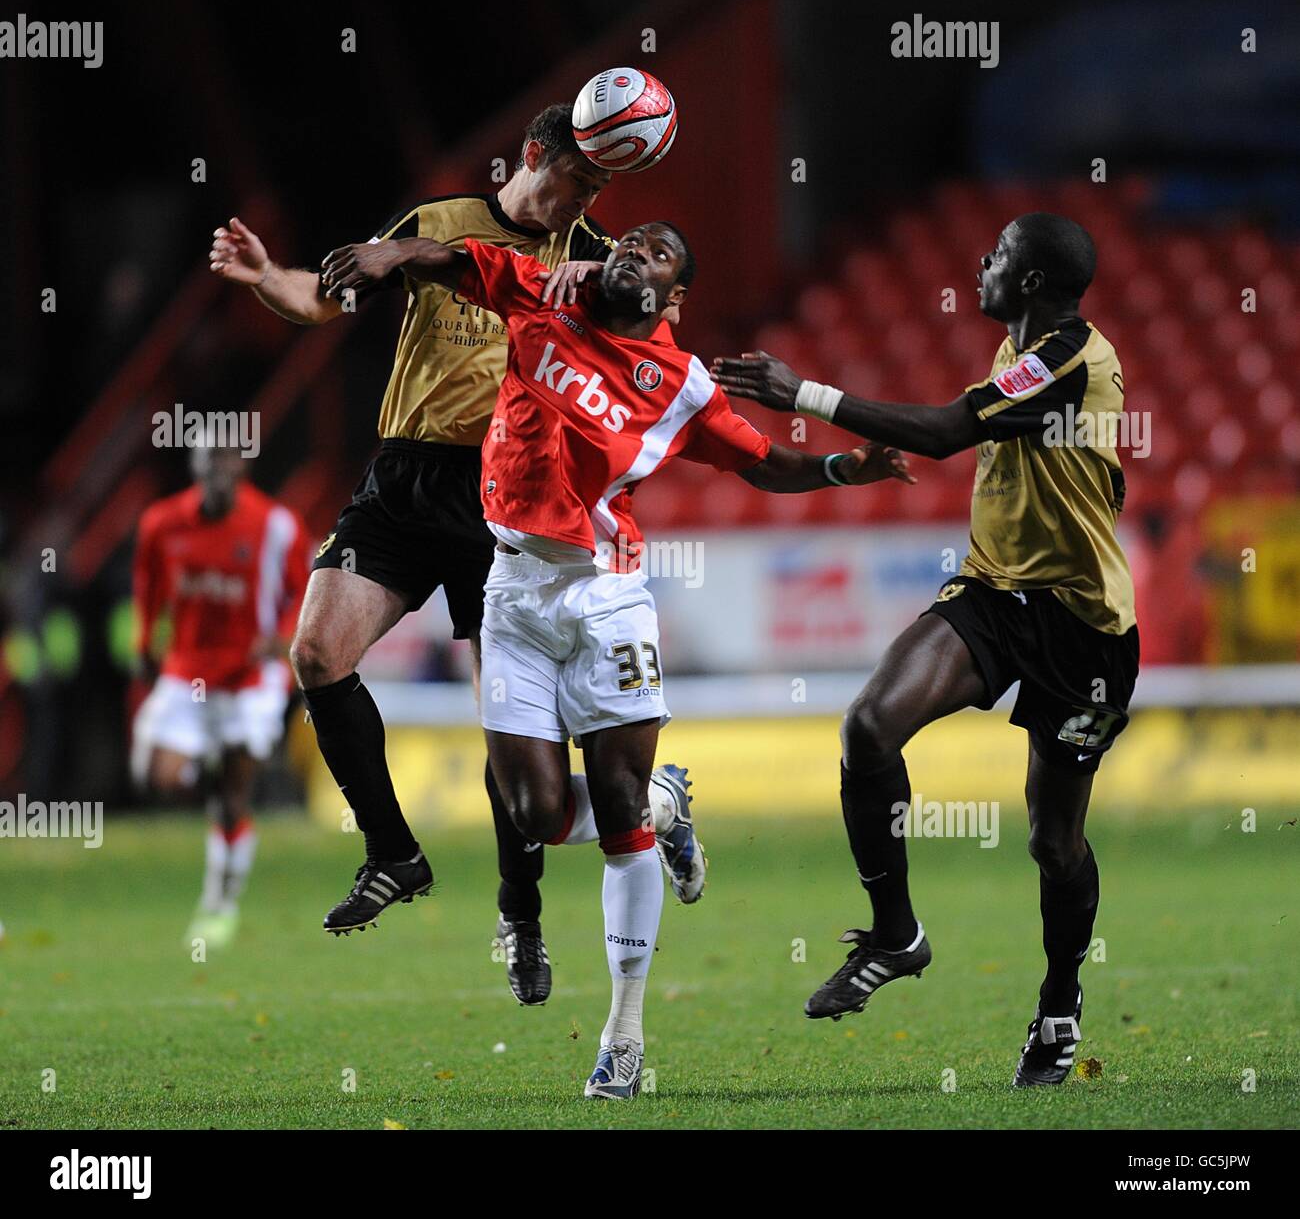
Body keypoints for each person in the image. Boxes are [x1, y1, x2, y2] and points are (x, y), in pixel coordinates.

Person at [320, 217, 914, 1097]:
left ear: (676, 297)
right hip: (511, 593)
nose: (636, 250)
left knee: (618, 821)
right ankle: (666, 801)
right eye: (631, 240)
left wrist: (840, 471)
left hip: (607, 602)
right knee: (533, 814)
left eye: (660, 252)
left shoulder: (682, 384)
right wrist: (388, 252)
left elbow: (760, 464)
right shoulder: (544, 292)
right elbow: (456, 256)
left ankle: (623, 1037)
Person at [209, 104, 696, 1005]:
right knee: (315, 653)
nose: (585, 200)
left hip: (507, 498)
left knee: (509, 733)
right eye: (577, 179)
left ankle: (521, 915)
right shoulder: (438, 223)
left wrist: (612, 295)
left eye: (599, 187)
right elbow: (320, 300)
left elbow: (652, 343)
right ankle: (393, 853)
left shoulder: (595, 254)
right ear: (533, 155)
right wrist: (265, 275)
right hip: (402, 477)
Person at [710, 212, 1140, 1086]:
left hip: (1084, 627)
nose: (983, 261)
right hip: (995, 594)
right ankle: (895, 935)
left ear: (1031, 281)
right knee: (868, 727)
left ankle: (1059, 1003)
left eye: (1000, 254)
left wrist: (803, 395)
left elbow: (947, 433)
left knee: (1053, 842)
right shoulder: (1023, 351)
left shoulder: (1069, 359)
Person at [132, 442, 309, 948]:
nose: (219, 468)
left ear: (243, 465)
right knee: (154, 774)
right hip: (187, 669)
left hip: (250, 677)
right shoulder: (162, 523)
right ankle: (202, 767)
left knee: (233, 797)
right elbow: (148, 585)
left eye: (228, 458)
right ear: (196, 465)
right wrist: (143, 641)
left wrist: (283, 635)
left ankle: (220, 903)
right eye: (211, 458)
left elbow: (305, 588)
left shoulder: (277, 525)